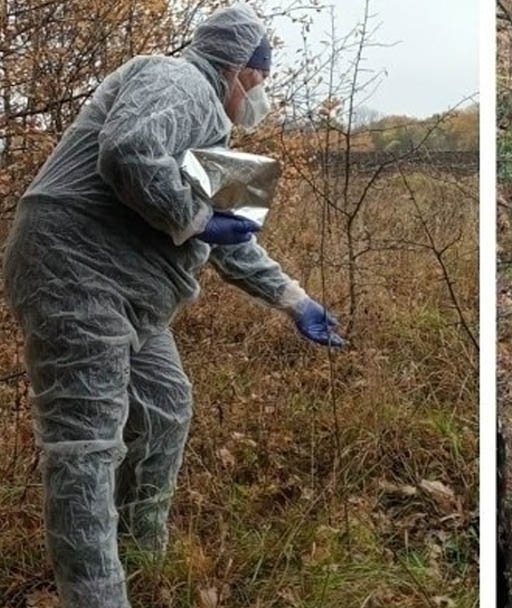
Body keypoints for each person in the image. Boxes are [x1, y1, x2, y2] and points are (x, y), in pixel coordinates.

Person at [2, 4, 344, 607]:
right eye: (259, 83)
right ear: (239, 69)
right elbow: (130, 151)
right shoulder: (178, 79)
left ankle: (142, 558)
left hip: (132, 296)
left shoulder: (212, 130)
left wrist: (295, 299)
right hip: (74, 273)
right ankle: (98, 597)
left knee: (165, 408)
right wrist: (195, 216)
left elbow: (229, 238)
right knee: (88, 447)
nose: (259, 97)